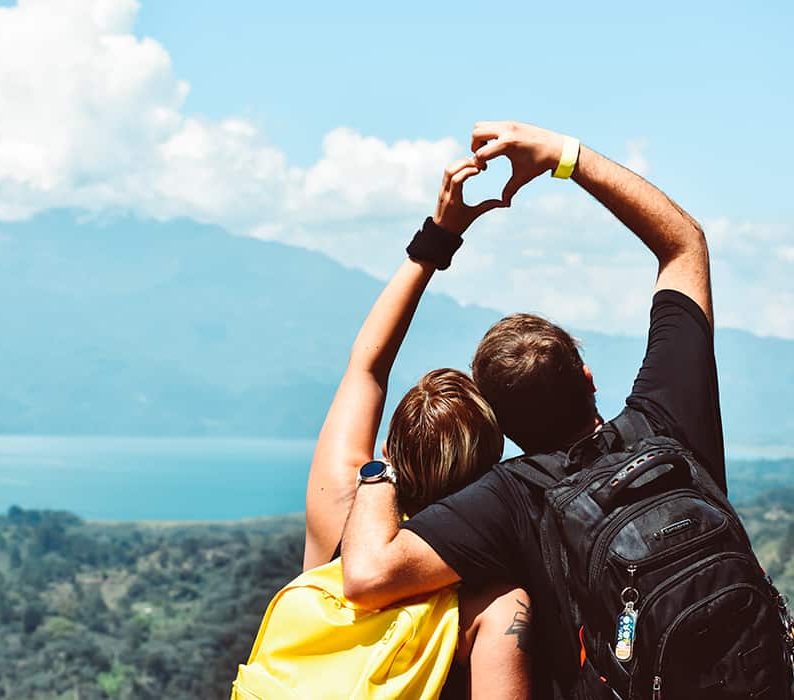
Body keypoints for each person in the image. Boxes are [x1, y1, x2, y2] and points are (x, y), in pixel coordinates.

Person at [338, 121, 734, 698]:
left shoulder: (510, 499)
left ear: (498, 421)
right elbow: (684, 243)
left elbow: (368, 573)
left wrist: (383, 470)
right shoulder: (669, 420)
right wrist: (562, 156)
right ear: (588, 378)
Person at [303, 155, 531, 697]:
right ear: (489, 469)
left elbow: (367, 364)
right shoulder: (492, 598)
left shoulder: (339, 506)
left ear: (390, 447)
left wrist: (440, 237)